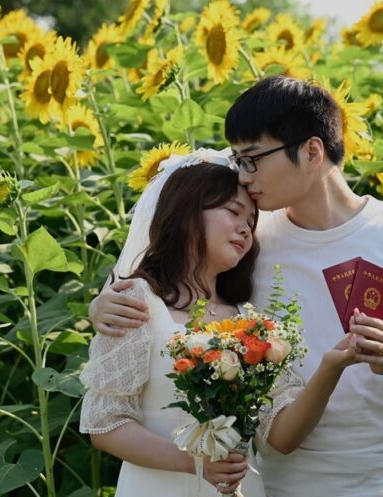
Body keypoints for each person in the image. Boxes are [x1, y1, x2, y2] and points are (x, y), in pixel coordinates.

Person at [89, 76, 383, 497]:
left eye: (252, 158)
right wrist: (104, 305)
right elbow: (179, 282)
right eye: (238, 160)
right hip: (282, 484)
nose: (243, 175)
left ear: (311, 151)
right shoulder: (251, 242)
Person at [79, 152, 265, 496]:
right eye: (233, 211)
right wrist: (195, 462)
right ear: (187, 211)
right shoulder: (137, 301)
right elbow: (105, 424)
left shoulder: (247, 315)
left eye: (251, 222)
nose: (245, 228)